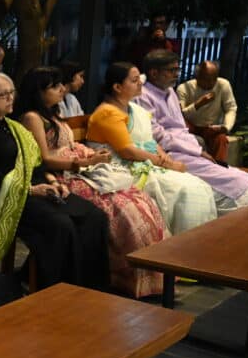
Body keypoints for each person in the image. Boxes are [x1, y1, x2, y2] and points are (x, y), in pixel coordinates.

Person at [15, 68, 166, 298]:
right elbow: (44, 159)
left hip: (79, 168)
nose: (62, 89)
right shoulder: (32, 118)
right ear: (38, 91)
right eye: (55, 86)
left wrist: (89, 157)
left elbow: (68, 146)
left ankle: (142, 275)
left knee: (139, 200)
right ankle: (115, 275)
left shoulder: (52, 113)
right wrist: (83, 162)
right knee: (120, 208)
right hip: (61, 175)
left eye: (61, 84)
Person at [0, 71, 110, 291]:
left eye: (11, 92)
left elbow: (37, 163)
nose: (10, 98)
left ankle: (88, 287)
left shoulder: (13, 126)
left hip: (36, 188)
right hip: (3, 196)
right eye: (3, 95)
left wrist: (53, 182)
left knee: (95, 217)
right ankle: (54, 289)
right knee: (61, 225)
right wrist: (30, 190)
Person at [86, 62, 217, 234]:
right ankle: (179, 245)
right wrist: (168, 164)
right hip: (123, 168)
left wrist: (165, 157)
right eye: (134, 80)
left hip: (144, 163)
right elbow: (128, 151)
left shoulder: (134, 109)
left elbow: (149, 141)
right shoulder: (107, 113)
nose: (141, 82)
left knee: (199, 186)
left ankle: (197, 243)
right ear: (117, 87)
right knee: (187, 191)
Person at [136, 50, 248, 213]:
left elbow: (181, 127)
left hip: (191, 141)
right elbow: (159, 136)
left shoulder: (170, 91)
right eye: (172, 70)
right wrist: (197, 150)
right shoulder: (144, 95)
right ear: (154, 73)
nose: (177, 74)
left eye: (178, 69)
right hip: (172, 151)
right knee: (246, 189)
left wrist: (222, 129)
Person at [176, 60, 237, 162]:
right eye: (207, 79)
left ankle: (219, 166)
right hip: (190, 126)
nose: (211, 83)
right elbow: (181, 115)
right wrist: (198, 104)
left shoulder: (223, 84)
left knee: (221, 139)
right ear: (197, 77)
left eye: (214, 79)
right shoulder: (183, 88)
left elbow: (231, 108)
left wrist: (226, 127)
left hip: (210, 127)